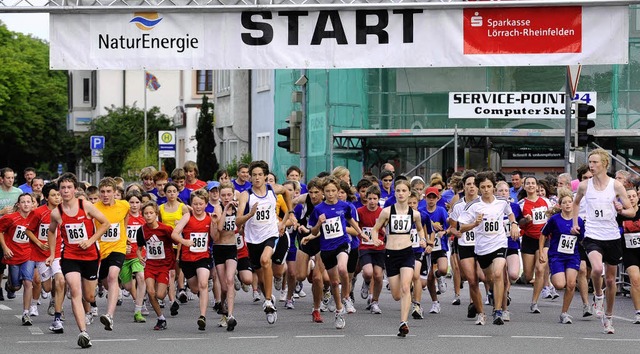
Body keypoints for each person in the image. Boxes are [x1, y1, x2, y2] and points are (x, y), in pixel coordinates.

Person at [572, 148, 635, 334]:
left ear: (604, 164)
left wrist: (620, 210)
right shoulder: (585, 186)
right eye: (590, 162)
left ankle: (608, 317)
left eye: (595, 162)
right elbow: (576, 203)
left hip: (612, 236)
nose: (591, 165)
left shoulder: (616, 186)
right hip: (592, 234)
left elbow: (631, 211)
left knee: (610, 280)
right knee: (597, 268)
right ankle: (598, 296)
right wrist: (575, 223)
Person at [45, 173, 110, 348]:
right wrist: (52, 254)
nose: (65, 191)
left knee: (88, 296)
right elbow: (51, 231)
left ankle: (90, 302)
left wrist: (90, 240)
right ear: (59, 190)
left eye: (69, 188)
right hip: (70, 256)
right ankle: (83, 332)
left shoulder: (85, 206)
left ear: (75, 189)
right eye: (62, 188)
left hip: (90, 256)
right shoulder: (56, 212)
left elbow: (105, 223)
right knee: (75, 291)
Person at [302, 176, 366, 330]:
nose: (330, 194)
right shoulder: (318, 209)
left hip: (342, 243)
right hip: (326, 248)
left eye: (333, 191)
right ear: (323, 193)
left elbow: (351, 221)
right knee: (334, 282)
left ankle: (346, 297)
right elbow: (314, 230)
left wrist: (360, 233)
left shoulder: (345, 206)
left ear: (338, 192)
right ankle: (338, 310)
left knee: (343, 268)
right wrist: (318, 223)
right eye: (327, 191)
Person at [458, 171, 519, 325]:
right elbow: (461, 227)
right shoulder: (473, 206)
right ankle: (493, 293)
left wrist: (514, 224)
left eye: (489, 186)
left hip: (499, 243)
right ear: (479, 188)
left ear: (493, 187)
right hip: (482, 248)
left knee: (499, 274)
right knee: (489, 278)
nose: (486, 189)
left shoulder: (502, 202)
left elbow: (510, 214)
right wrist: (474, 224)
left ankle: (497, 311)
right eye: (483, 187)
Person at [235, 160, 291, 325]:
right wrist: (249, 215)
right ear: (250, 178)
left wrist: (289, 214)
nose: (257, 178)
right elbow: (238, 220)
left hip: (271, 234)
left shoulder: (272, 190)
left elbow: (287, 193)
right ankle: (268, 294)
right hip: (253, 239)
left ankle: (267, 300)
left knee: (266, 260)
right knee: (260, 278)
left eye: (260, 175)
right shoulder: (246, 195)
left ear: (266, 176)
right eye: (254, 175)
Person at [370, 179, 426, 336]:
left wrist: (422, 239)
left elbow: (421, 230)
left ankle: (403, 322)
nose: (401, 193)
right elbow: (375, 229)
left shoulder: (415, 214)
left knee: (405, 287)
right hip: (390, 253)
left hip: (407, 253)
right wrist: (375, 239)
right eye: (398, 191)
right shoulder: (387, 211)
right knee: (396, 295)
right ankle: (406, 294)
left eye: (404, 191)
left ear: (409, 193)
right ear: (395, 193)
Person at [171, 189, 217, 331]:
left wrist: (215, 223)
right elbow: (174, 233)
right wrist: (184, 242)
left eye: (200, 204)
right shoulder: (187, 217)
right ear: (191, 204)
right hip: (187, 258)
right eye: (195, 204)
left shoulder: (209, 217)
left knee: (203, 284)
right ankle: (199, 291)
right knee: (195, 287)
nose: (197, 207)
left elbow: (215, 237)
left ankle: (202, 316)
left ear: (205, 204)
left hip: (203, 257)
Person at [26, 182, 66, 332]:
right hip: (41, 254)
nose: (57, 197)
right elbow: (28, 231)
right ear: (46, 197)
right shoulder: (38, 212)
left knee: (60, 280)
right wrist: (38, 242)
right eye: (54, 195)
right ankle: (52, 298)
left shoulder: (64, 211)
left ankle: (57, 315)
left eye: (58, 195)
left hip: (58, 252)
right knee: (48, 287)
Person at [540, 188, 584, 324]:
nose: (568, 204)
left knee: (571, 284)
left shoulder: (579, 220)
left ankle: (564, 313)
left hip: (572, 255)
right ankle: (552, 281)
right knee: (560, 284)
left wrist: (577, 233)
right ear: (560, 205)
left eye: (570, 202)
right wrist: (541, 251)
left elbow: (583, 238)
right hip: (557, 256)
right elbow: (543, 234)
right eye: (564, 202)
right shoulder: (554, 219)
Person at [93, 177, 131, 331]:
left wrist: (125, 237)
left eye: (109, 191)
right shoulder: (94, 207)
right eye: (102, 192)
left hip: (118, 247)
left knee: (113, 275)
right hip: (101, 250)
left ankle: (109, 315)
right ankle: (115, 291)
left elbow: (125, 218)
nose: (105, 195)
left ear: (115, 192)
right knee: (104, 282)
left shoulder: (124, 205)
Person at [137, 201, 175, 331]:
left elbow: (176, 242)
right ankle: (161, 318)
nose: (148, 216)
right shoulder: (141, 230)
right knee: (151, 292)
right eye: (146, 213)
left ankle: (167, 286)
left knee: (160, 295)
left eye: (151, 213)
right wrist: (139, 256)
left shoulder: (166, 229)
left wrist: (175, 259)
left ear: (156, 214)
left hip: (164, 265)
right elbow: (139, 247)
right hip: (150, 265)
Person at [517, 176, 553, 314]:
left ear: (537, 186)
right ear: (524, 186)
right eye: (528, 184)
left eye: (533, 183)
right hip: (528, 240)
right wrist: (525, 220)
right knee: (527, 275)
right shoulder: (521, 204)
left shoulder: (546, 202)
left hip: (543, 239)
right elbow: (518, 222)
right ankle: (535, 286)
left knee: (539, 269)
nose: (531, 185)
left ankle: (534, 302)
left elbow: (553, 215)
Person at [0, 193, 36, 325]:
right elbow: (0, 231)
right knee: (16, 286)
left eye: (29, 201)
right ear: (18, 205)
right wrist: (5, 248)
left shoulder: (36, 218)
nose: (26, 204)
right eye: (23, 202)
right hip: (13, 254)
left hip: (29, 254)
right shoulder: (10, 218)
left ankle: (26, 313)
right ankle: (10, 286)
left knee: (28, 283)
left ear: (33, 204)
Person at [158, 182, 190, 316]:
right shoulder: (160, 208)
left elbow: (189, 224)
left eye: (174, 191)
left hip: (179, 243)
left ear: (178, 193)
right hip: (165, 244)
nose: (171, 194)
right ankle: (172, 301)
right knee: (170, 273)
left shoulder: (183, 207)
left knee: (177, 272)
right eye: (169, 191)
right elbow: (158, 224)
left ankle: (180, 288)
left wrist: (181, 224)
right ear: (165, 193)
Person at [419, 187, 448, 316]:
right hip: (427, 247)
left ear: (438, 198)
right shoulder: (421, 212)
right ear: (425, 198)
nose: (431, 200)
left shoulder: (441, 211)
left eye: (433, 197)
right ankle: (435, 302)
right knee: (429, 277)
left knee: (443, 270)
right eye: (429, 197)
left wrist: (443, 232)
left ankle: (439, 277)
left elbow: (448, 227)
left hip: (439, 246)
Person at [357, 185, 385, 314]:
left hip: (379, 247)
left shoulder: (382, 212)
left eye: (375, 198)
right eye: (370, 199)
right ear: (366, 199)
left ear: (379, 199)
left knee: (378, 276)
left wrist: (384, 232)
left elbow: (386, 228)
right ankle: (367, 282)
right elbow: (356, 227)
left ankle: (375, 301)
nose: (372, 201)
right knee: (368, 272)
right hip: (365, 246)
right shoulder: (360, 211)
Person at [120, 190, 147, 323]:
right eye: (131, 202)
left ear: (141, 204)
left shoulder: (144, 218)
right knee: (127, 286)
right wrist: (123, 245)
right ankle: (138, 300)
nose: (134, 205)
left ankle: (139, 308)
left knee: (141, 278)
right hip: (124, 256)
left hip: (139, 255)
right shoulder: (123, 217)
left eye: (137, 202)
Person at [618, 187, 640, 323]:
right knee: (635, 280)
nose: (631, 199)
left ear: (637, 198)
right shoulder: (620, 214)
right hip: (629, 251)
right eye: (628, 196)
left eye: (633, 196)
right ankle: (638, 312)